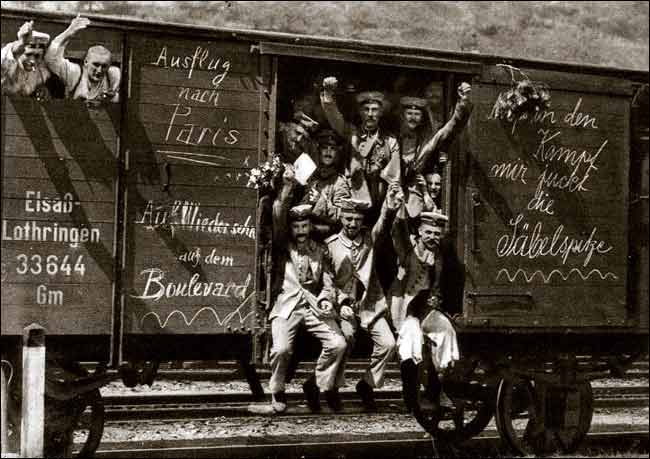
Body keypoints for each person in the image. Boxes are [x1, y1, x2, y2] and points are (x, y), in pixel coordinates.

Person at [268, 168, 348, 414]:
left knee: (338, 344)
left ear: (309, 227)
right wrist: (287, 188)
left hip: (312, 305)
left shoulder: (319, 249)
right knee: (281, 349)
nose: (301, 231)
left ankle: (319, 385)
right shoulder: (283, 246)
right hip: (287, 305)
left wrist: (326, 299)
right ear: (291, 230)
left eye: (304, 226)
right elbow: (278, 215)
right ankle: (277, 390)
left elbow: (327, 281)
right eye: (297, 227)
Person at [325, 185, 402, 411]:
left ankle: (367, 384)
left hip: (369, 305)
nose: (352, 224)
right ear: (341, 217)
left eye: (357, 219)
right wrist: (340, 303)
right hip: (344, 306)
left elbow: (383, 224)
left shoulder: (370, 239)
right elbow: (327, 280)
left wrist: (389, 205)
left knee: (388, 344)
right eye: (348, 218)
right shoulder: (331, 246)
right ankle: (332, 387)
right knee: (346, 337)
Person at [387, 208, 459, 417]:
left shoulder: (440, 256)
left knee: (446, 332)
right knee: (411, 342)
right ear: (419, 231)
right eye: (428, 232)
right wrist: (397, 205)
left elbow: (440, 285)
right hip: (405, 308)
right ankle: (410, 400)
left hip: (427, 308)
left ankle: (437, 390)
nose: (432, 237)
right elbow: (397, 231)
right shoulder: (407, 250)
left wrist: (438, 301)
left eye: (436, 234)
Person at [320, 77, 401, 220]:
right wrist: (328, 94)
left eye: (375, 110)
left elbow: (394, 178)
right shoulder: (351, 132)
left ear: (381, 113)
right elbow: (334, 117)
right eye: (366, 109)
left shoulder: (390, 141)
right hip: (353, 204)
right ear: (360, 112)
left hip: (379, 203)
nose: (370, 114)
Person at [45, 15, 121, 104]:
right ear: (86, 62)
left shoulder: (113, 75)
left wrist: (112, 97)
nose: (99, 70)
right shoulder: (75, 73)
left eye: (104, 66)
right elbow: (51, 60)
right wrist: (68, 33)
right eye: (96, 64)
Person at [300, 129, 352, 240]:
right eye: (325, 148)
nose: (328, 152)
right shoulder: (310, 177)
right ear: (319, 151)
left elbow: (341, 216)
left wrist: (320, 201)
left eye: (332, 149)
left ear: (337, 153)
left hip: (328, 237)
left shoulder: (340, 182)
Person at [1, 20, 51, 99]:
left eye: (37, 56)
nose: (32, 60)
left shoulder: (41, 73)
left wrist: (42, 89)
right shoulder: (8, 62)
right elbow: (6, 56)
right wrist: (22, 42)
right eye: (28, 54)